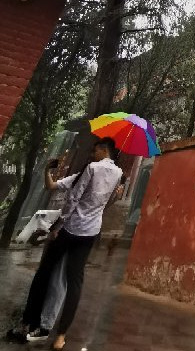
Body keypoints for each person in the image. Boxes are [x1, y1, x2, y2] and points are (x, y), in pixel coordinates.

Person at [6, 138, 122, 349]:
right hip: (91, 232)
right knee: (75, 282)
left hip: (71, 229)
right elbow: (104, 203)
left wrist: (57, 226)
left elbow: (74, 199)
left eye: (95, 150)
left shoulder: (92, 168)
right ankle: (61, 336)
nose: (92, 154)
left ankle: (27, 323)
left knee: (43, 274)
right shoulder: (119, 173)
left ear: (104, 149)